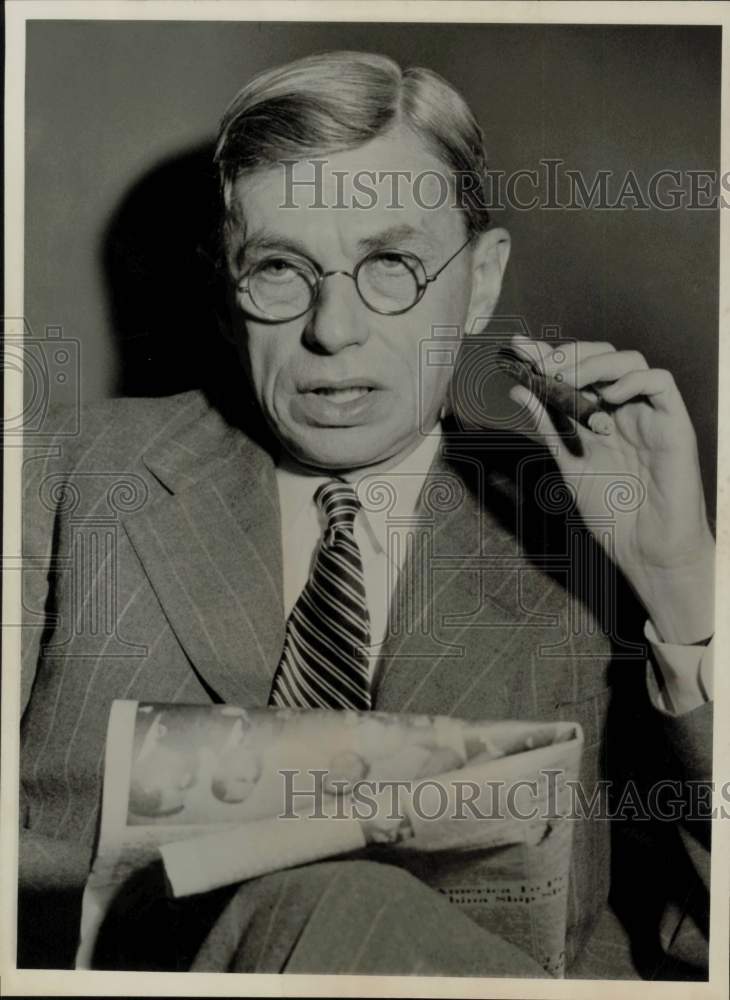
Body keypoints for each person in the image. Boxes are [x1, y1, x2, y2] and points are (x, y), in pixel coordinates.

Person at [18, 51, 714, 977]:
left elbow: (706, 940)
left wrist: (683, 588)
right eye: (278, 269)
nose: (333, 331)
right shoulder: (61, 476)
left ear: (484, 281)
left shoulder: (589, 534)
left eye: (390, 264)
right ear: (227, 296)